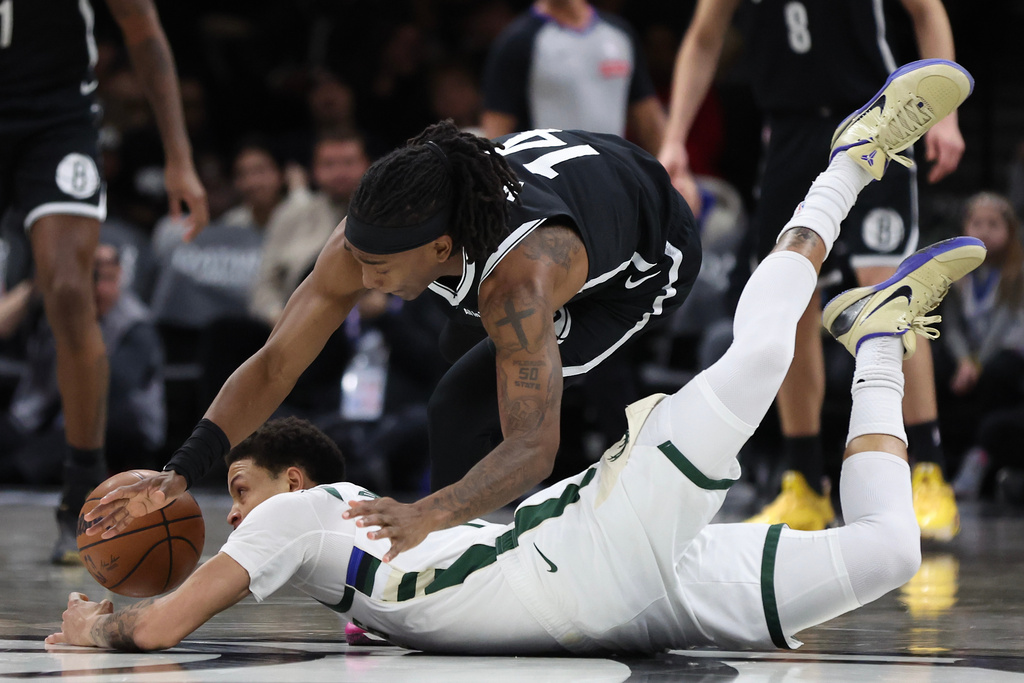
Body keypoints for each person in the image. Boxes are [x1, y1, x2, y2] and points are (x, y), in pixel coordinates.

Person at [53, 63, 984, 652]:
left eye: (385, 270)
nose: (366, 281)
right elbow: (273, 362)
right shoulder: (371, 239)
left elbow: (532, 448)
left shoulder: (525, 280)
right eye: (360, 261)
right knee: (889, 551)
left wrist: (427, 512)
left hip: (640, 253)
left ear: (440, 248)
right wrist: (185, 469)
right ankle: (876, 335)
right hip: (633, 596)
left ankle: (847, 164)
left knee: (741, 364)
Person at [658, 0, 967, 536]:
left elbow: (928, 11)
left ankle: (928, 474)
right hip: (790, 133)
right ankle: (803, 482)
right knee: (791, 299)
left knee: (891, 295)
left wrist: (948, 114)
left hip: (879, 121)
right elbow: (705, 37)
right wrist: (674, 137)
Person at [0, 0, 208, 563]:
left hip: (54, 116)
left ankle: (80, 491)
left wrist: (178, 155)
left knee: (71, 289)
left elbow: (143, 30)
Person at [0, 243, 165, 483]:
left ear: (120, 277)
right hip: (46, 418)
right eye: (90, 276)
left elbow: (114, 386)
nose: (97, 288)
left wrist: (82, 340)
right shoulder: (56, 313)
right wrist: (38, 284)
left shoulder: (135, 323)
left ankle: (22, 468)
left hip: (110, 423)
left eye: (106, 278)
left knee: (31, 463)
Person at [480, 0, 666, 155]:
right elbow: (496, 132)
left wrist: (675, 173)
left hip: (611, 175)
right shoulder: (517, 41)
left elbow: (648, 118)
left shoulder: (620, 34)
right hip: (549, 185)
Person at [936, 193, 1024, 501]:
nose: (984, 230)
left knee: (998, 373)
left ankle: (980, 456)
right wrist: (964, 361)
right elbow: (953, 327)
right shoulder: (958, 273)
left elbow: (1003, 327)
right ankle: (936, 458)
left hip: (1006, 350)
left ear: (1010, 231)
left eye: (993, 224)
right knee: (937, 369)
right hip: (970, 356)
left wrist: (977, 363)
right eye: (977, 223)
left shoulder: (1016, 273)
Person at [247, 131, 370, 328]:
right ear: (314, 170)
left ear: (367, 164)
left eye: (348, 162)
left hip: (370, 327)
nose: (340, 172)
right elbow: (265, 285)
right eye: (329, 164)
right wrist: (277, 317)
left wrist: (383, 302)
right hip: (298, 325)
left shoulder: (389, 215)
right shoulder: (290, 214)